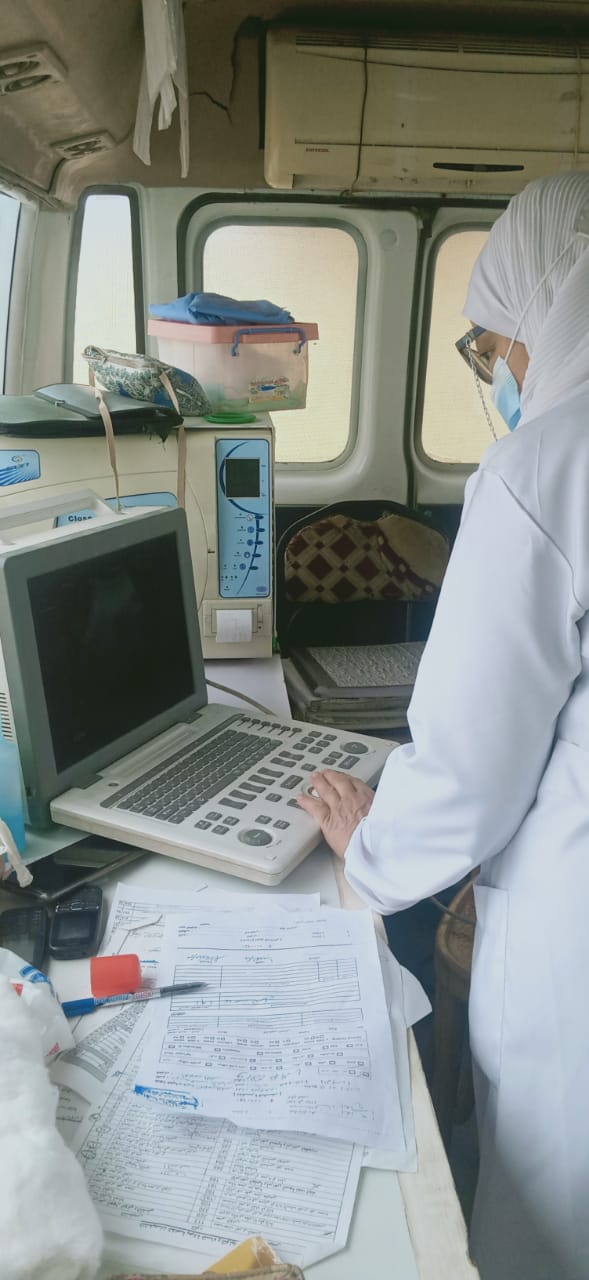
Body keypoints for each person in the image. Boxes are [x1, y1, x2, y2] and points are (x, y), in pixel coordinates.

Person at [297, 170, 589, 1280]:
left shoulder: (545, 466)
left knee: (550, 1225)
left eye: (489, 344)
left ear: (548, 310)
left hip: (573, 959)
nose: (495, 373)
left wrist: (369, 849)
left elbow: (469, 770)